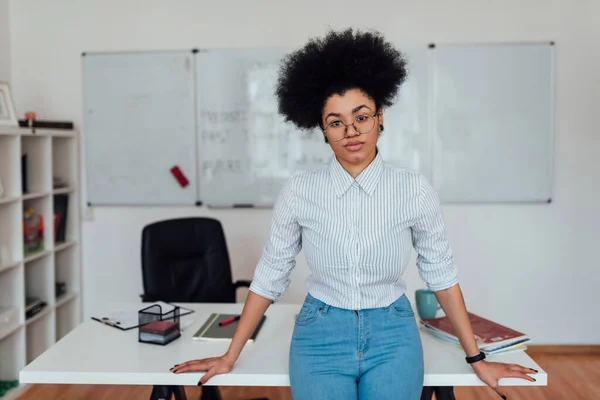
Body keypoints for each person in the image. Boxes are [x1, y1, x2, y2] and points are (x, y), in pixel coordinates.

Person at [171, 28, 537, 399]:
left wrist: (477, 357)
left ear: (380, 117)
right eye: (335, 122)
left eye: (361, 117)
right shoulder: (299, 191)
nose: (351, 131)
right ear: (322, 130)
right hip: (320, 333)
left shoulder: (414, 189)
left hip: (393, 334)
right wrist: (230, 356)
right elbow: (269, 276)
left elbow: (441, 276)